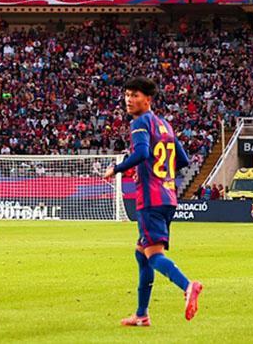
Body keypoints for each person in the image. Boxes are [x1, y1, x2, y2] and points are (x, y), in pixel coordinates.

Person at [104, 77, 203, 326]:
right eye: (127, 94)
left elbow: (142, 153)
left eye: (134, 95)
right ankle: (141, 314)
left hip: (149, 198)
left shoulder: (140, 122)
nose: (128, 99)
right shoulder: (165, 125)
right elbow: (182, 159)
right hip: (168, 197)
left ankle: (187, 285)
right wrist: (160, 173)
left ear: (147, 99)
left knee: (154, 255)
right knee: (142, 254)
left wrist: (117, 168)